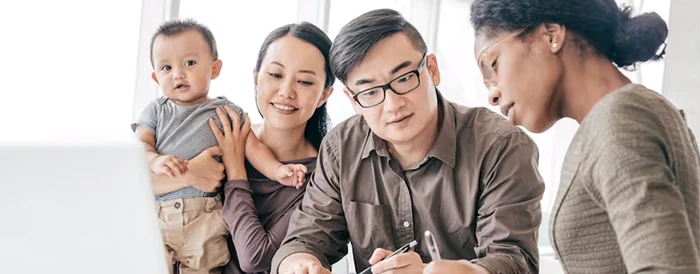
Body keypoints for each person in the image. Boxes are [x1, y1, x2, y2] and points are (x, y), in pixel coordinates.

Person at [272, 9, 545, 274]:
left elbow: (514, 261)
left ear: (433, 70)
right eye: (369, 92)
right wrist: (299, 263)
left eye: (403, 79)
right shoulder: (341, 148)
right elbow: (305, 238)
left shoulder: (501, 146)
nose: (392, 105)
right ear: (353, 101)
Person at [469, 0, 700, 273]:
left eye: (493, 65)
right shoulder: (631, 113)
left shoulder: (620, 118)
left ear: (551, 35)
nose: (493, 94)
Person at [133, 19, 306, 274]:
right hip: (160, 215)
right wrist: (156, 160)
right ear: (155, 76)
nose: (177, 74)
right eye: (166, 67)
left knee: (204, 267)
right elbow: (139, 149)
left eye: (189, 63)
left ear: (215, 68)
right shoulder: (156, 111)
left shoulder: (227, 112)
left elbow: (253, 147)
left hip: (206, 216)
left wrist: (278, 170)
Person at [218, 22, 335, 274]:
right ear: (255, 79)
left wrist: (235, 169)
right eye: (275, 75)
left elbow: (256, 257)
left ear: (325, 95)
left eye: (304, 81)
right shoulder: (226, 133)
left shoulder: (321, 178)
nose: (286, 92)